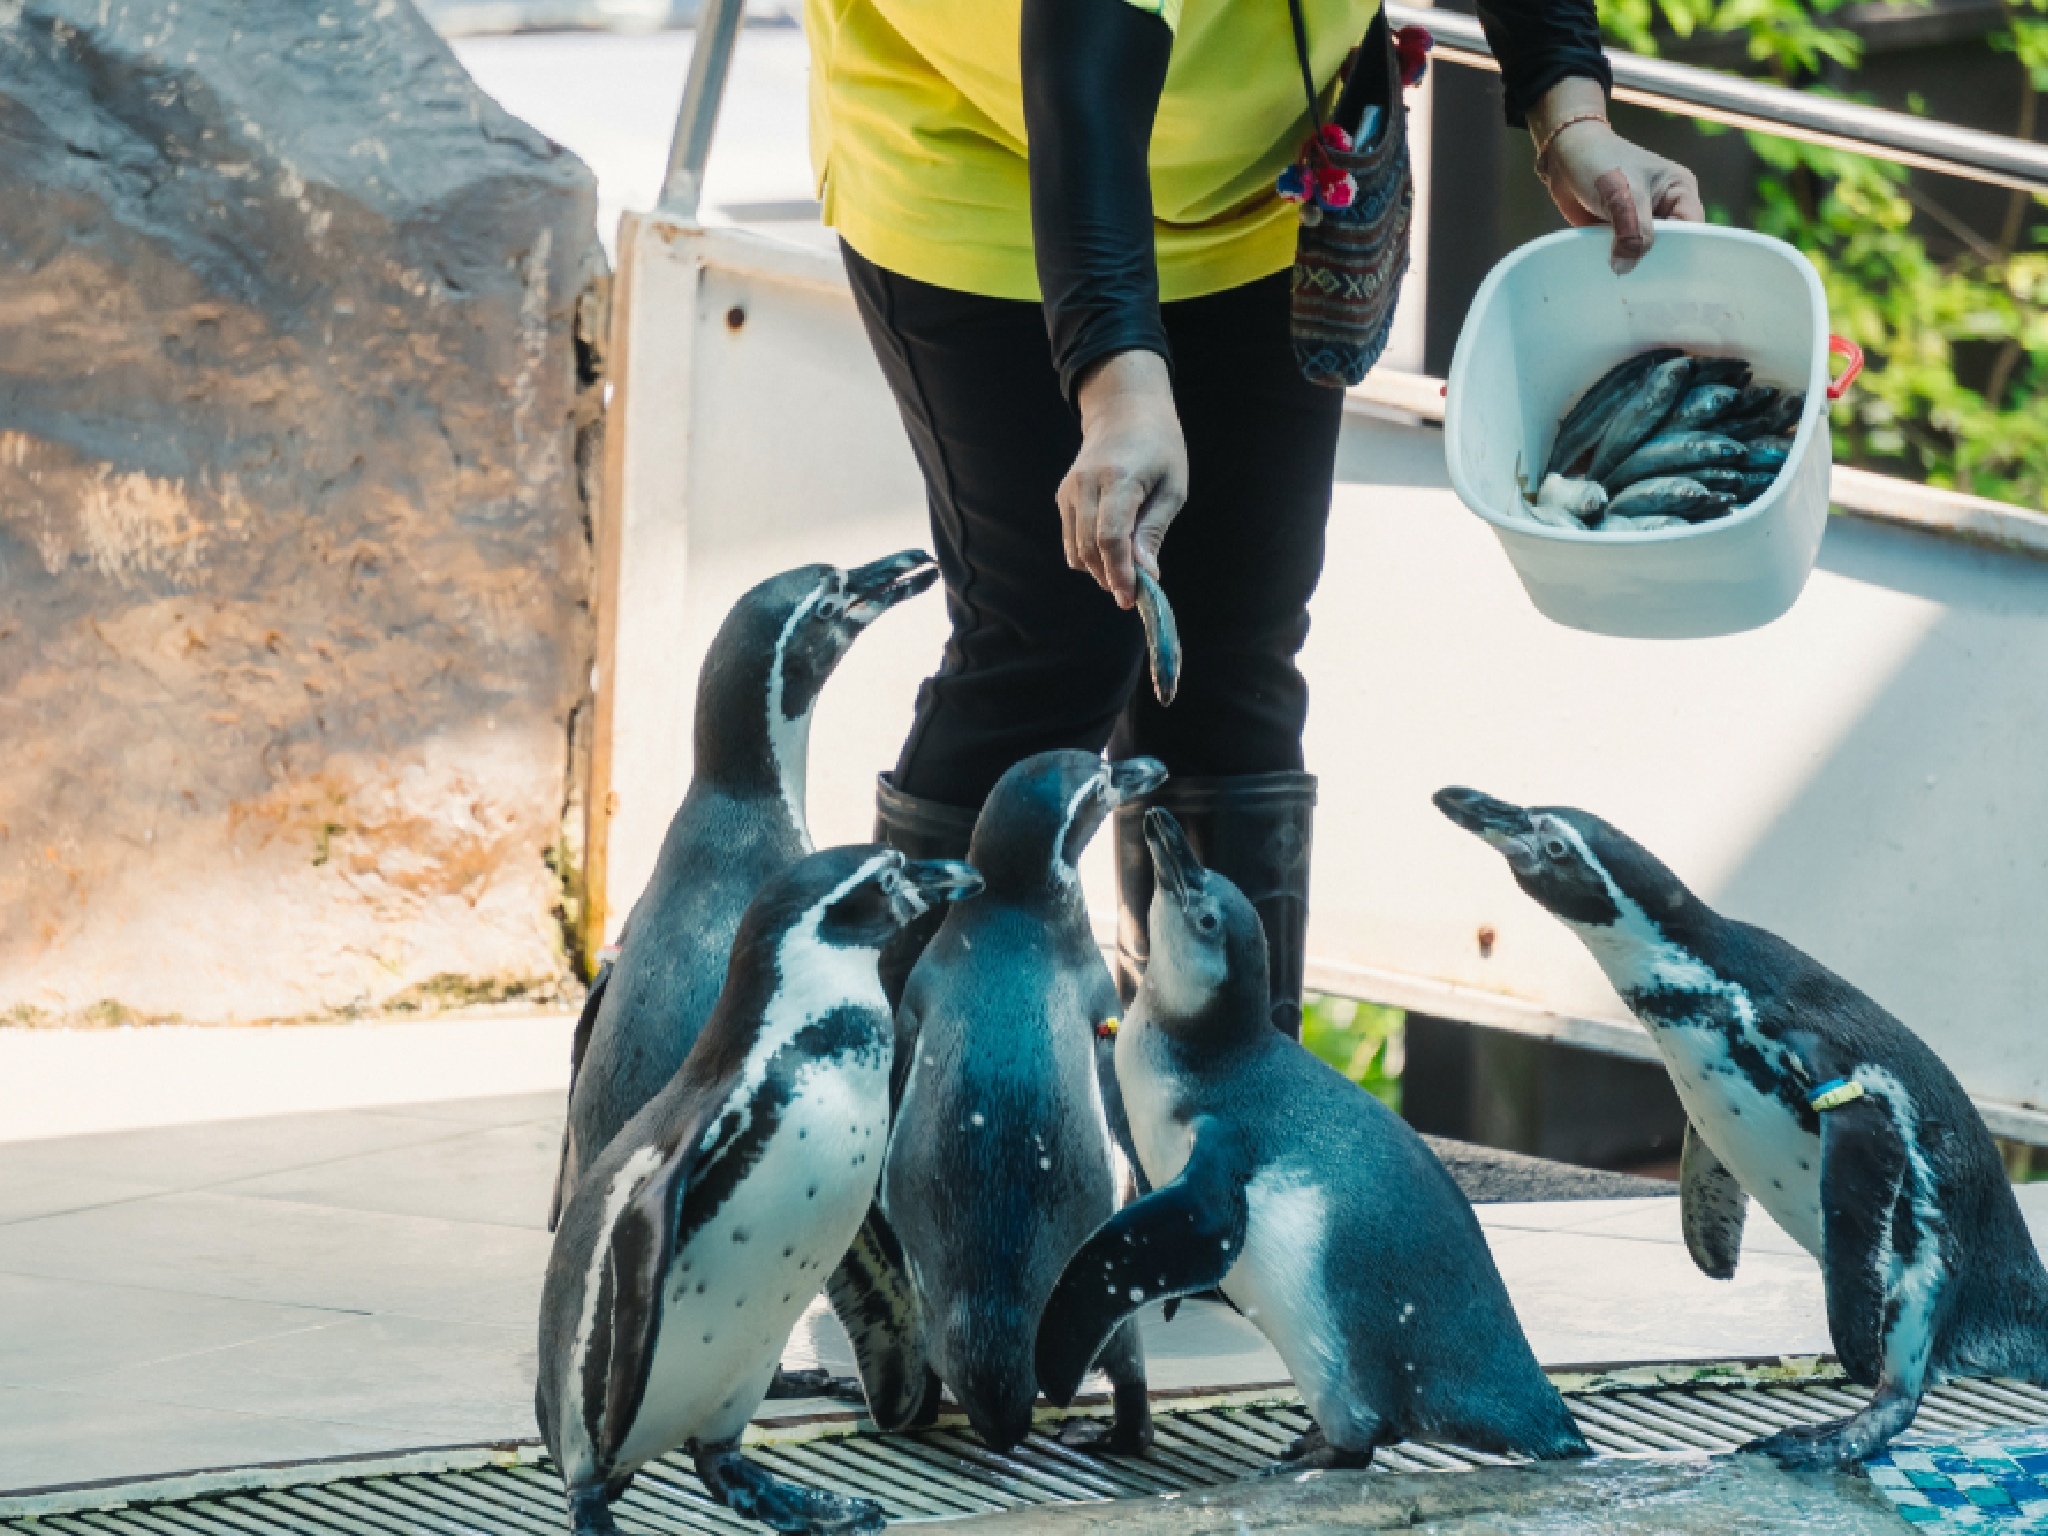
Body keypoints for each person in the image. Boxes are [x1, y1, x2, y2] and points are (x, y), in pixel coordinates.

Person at [807, 0, 1704, 1036]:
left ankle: (1231, 1130)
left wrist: (1567, 114)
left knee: (1233, 643)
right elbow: (1083, 71)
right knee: (1051, 647)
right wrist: (1118, 389)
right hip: (982, 153)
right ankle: (900, 1121)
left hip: (1260, 182)